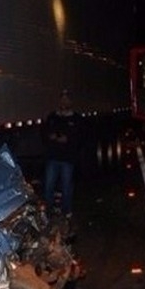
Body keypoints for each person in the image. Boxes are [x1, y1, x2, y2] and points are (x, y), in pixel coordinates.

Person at [43, 89, 83, 220]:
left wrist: (65, 138)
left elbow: (76, 137)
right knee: (49, 185)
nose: (64, 101)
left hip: (67, 158)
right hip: (53, 157)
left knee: (66, 186)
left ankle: (67, 211)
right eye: (62, 98)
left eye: (66, 99)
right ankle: (49, 210)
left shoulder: (76, 118)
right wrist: (54, 137)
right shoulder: (52, 117)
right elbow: (47, 133)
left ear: (70, 101)